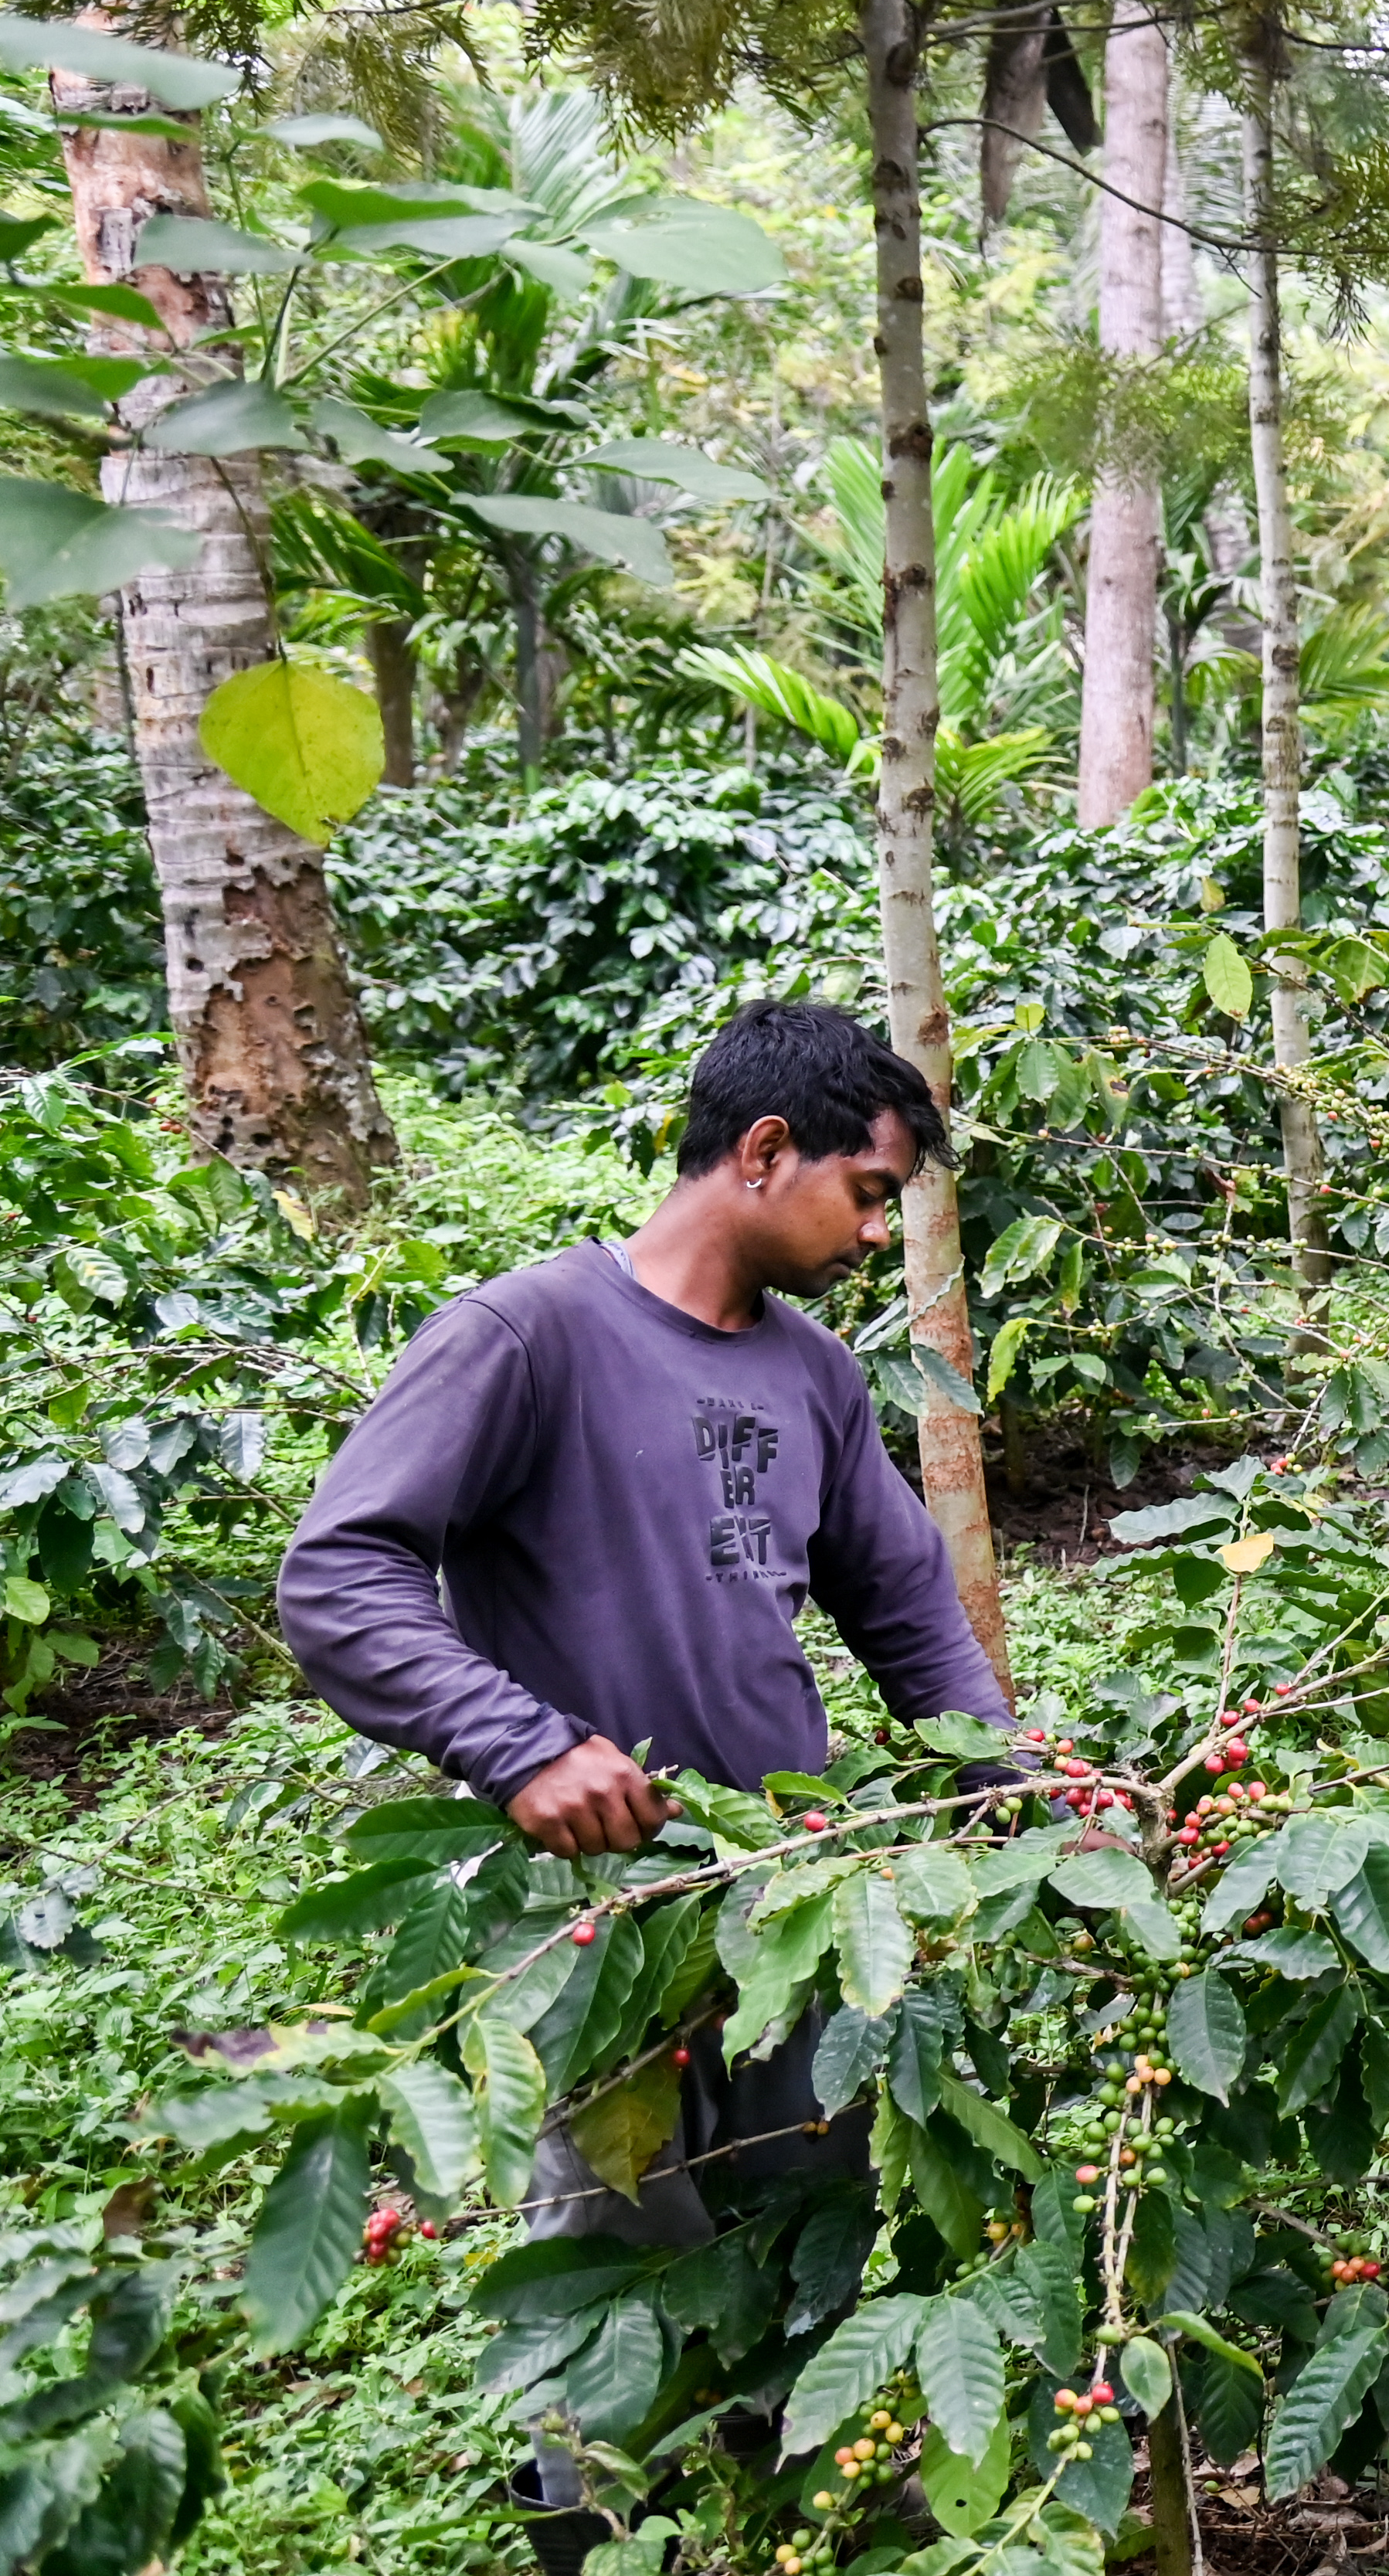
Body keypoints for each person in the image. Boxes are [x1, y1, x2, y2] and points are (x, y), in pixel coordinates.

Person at [277, 999, 1012, 2552]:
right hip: (594, 1929)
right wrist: (520, 1741)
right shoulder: (523, 1334)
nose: (878, 1236)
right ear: (761, 1151)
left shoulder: (813, 1378)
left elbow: (905, 1612)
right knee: (618, 2255)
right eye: (868, 1193)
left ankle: (774, 2508)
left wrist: (1007, 1787)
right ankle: (598, 2533)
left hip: (788, 1912)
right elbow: (341, 1573)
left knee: (798, 2231)